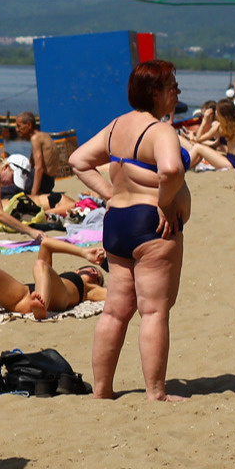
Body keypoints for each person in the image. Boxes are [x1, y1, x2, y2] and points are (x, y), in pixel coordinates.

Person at [68, 59, 190, 402]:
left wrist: (109, 193)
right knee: (153, 310)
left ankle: (102, 390)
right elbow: (170, 170)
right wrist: (165, 203)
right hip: (151, 224)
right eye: (172, 87)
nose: (177, 92)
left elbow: (78, 160)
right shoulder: (161, 130)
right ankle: (156, 392)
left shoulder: (116, 126)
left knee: (115, 310)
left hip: (118, 223)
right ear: (155, 93)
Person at [180, 100, 235, 170]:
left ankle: (183, 167)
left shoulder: (221, 127)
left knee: (198, 147)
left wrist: (205, 120)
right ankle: (188, 167)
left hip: (231, 164)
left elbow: (199, 139)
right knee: (202, 150)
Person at [15, 112, 58, 197]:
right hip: (50, 181)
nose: (17, 129)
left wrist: (33, 194)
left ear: (29, 125)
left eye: (19, 126)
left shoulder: (35, 139)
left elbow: (39, 168)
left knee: (9, 190)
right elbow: (32, 163)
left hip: (43, 181)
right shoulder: (44, 136)